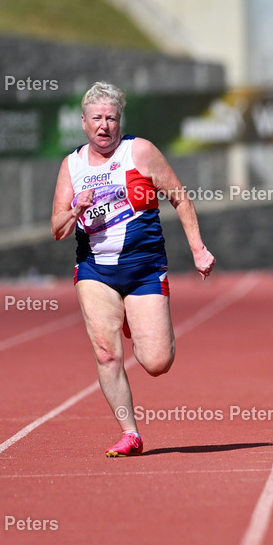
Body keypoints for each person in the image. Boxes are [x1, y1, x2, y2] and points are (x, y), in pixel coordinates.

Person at [51, 81, 216, 457]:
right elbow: (57, 229)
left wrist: (198, 249)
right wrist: (76, 207)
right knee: (107, 353)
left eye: (111, 118)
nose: (104, 125)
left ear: (119, 120)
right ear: (83, 122)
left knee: (157, 362)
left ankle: (132, 318)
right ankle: (130, 433)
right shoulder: (72, 165)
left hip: (144, 268)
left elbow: (179, 196)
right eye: (96, 118)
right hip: (95, 270)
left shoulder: (138, 152)